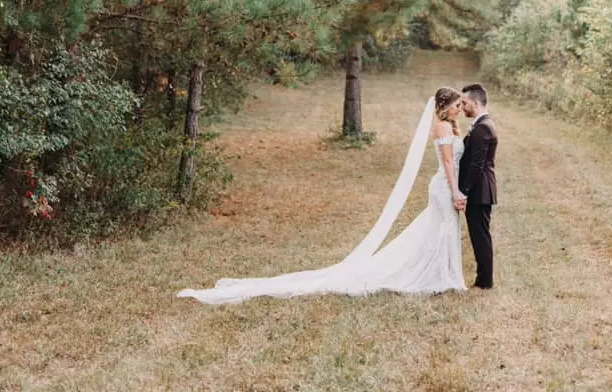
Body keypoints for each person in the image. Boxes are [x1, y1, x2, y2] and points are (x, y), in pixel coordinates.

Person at [177, 87, 468, 304]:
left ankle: (445, 275)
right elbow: (445, 163)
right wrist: (456, 190)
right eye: (456, 105)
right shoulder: (442, 126)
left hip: (446, 185)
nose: (459, 109)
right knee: (440, 230)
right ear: (444, 107)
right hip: (444, 186)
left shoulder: (448, 125)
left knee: (441, 230)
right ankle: (439, 277)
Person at [458, 83, 498, 290]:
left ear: (475, 102)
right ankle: (484, 279)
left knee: (480, 236)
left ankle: (484, 282)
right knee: (479, 235)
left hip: (479, 189)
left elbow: (477, 164)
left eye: (464, 103)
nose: (462, 106)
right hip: (479, 188)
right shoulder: (481, 124)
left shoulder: (483, 127)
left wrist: (464, 191)